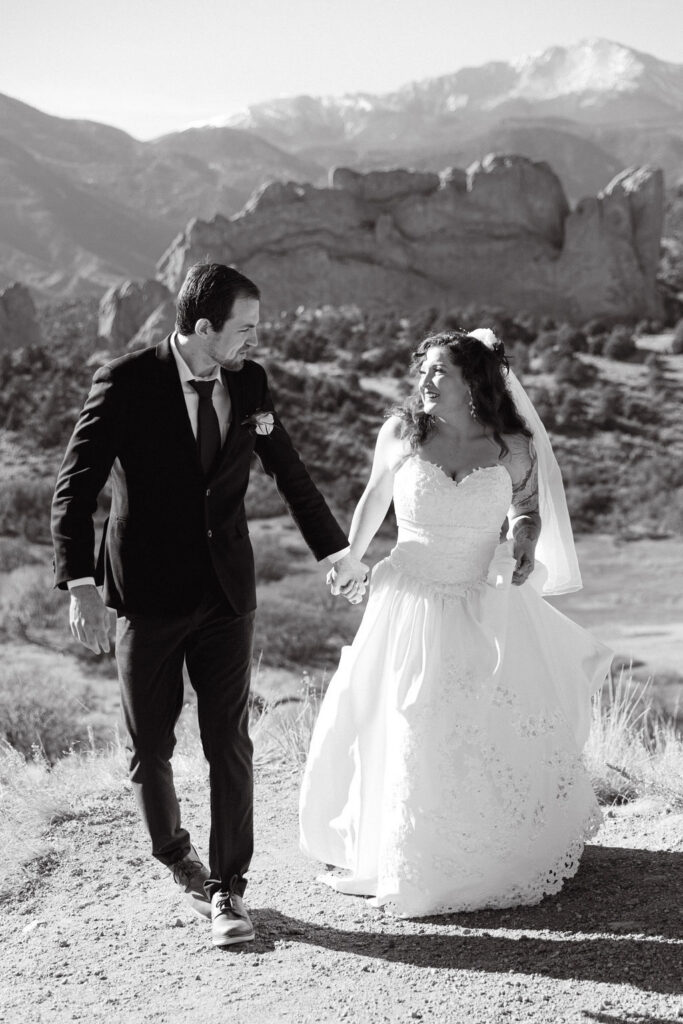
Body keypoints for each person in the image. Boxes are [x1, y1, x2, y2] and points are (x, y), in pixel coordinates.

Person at [51, 262, 367, 947]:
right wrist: (80, 586)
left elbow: (288, 471)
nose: (256, 339)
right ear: (202, 329)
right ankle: (174, 854)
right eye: (245, 328)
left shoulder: (248, 382)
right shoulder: (126, 381)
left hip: (227, 592)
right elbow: (73, 490)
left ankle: (229, 888)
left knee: (228, 740)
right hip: (147, 594)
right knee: (150, 746)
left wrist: (335, 553)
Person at [304, 329, 613, 917]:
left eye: (439, 371)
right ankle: (405, 855)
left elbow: (526, 511)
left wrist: (525, 543)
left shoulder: (512, 446)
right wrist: (351, 561)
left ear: (474, 380)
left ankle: (482, 851)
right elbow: (373, 501)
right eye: (423, 370)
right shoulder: (401, 432)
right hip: (409, 597)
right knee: (405, 720)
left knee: (474, 723)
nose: (424, 381)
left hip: (481, 599)